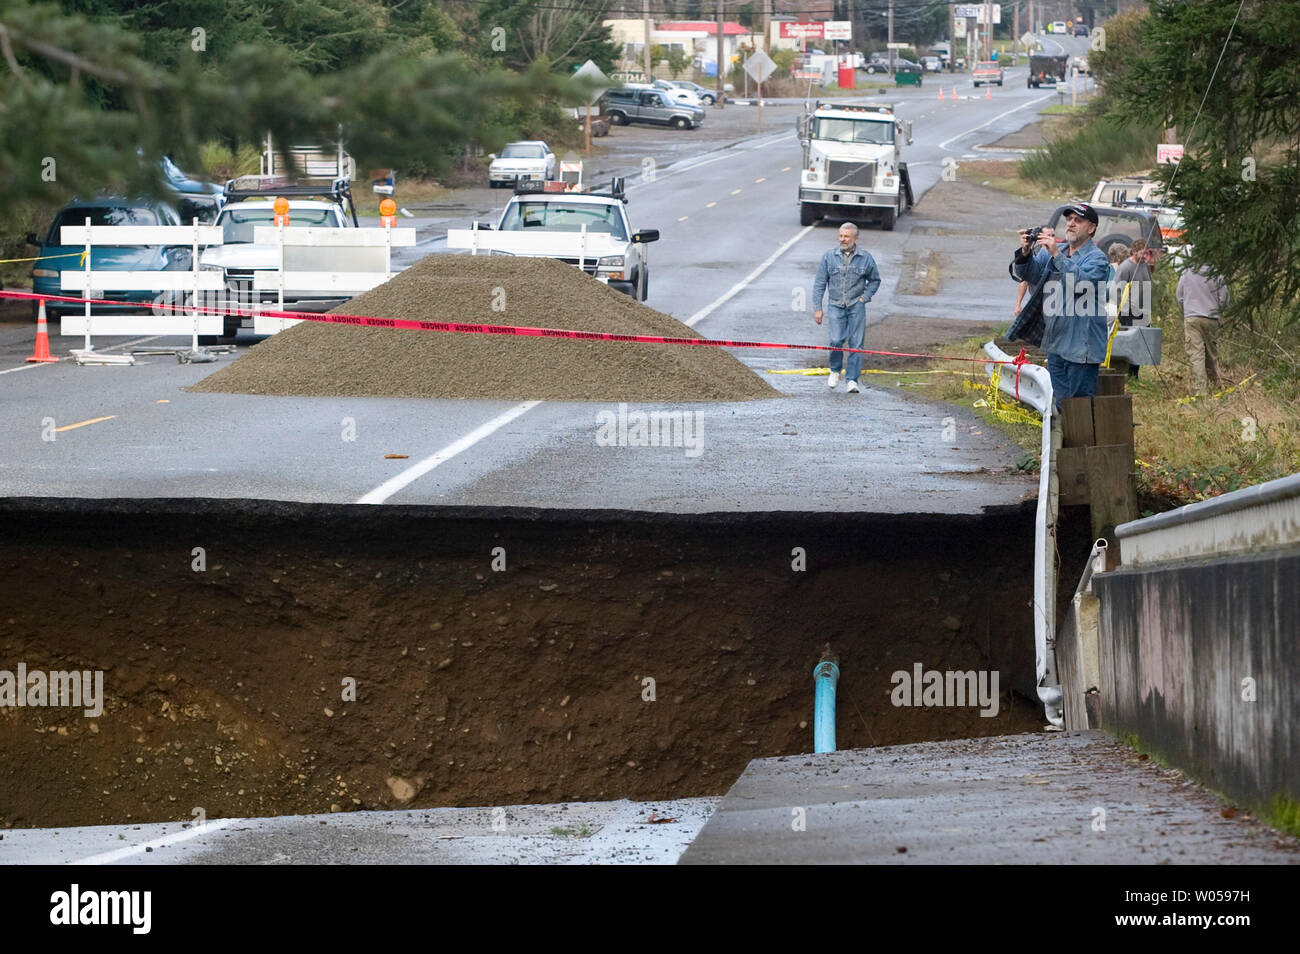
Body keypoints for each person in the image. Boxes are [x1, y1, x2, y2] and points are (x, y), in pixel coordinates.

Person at [1011, 203, 1110, 408]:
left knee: (1080, 408)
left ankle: (1081, 440)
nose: (1071, 224)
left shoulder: (1098, 259)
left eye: (1078, 220)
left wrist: (1057, 255)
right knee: (1062, 406)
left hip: (1082, 348)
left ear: (1091, 228)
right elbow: (1030, 275)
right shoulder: (1057, 250)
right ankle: (1064, 439)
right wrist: (1025, 251)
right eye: (1069, 219)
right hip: (1056, 344)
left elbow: (1081, 284)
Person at [812, 222, 882, 394]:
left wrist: (864, 298)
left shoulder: (865, 258)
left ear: (855, 238)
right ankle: (835, 370)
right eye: (841, 236)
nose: (842, 239)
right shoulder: (829, 256)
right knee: (836, 340)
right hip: (835, 305)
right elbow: (820, 284)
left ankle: (852, 380)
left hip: (856, 305)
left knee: (856, 344)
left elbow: (875, 280)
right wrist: (817, 308)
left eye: (846, 236)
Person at [1176, 265, 1229, 396]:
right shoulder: (1217, 273)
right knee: (1211, 353)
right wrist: (1217, 311)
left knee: (1197, 355)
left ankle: (1201, 391)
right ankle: (1214, 384)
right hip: (1211, 318)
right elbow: (1224, 298)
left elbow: (1179, 296)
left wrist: (1187, 310)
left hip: (1192, 318)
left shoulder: (1187, 272)